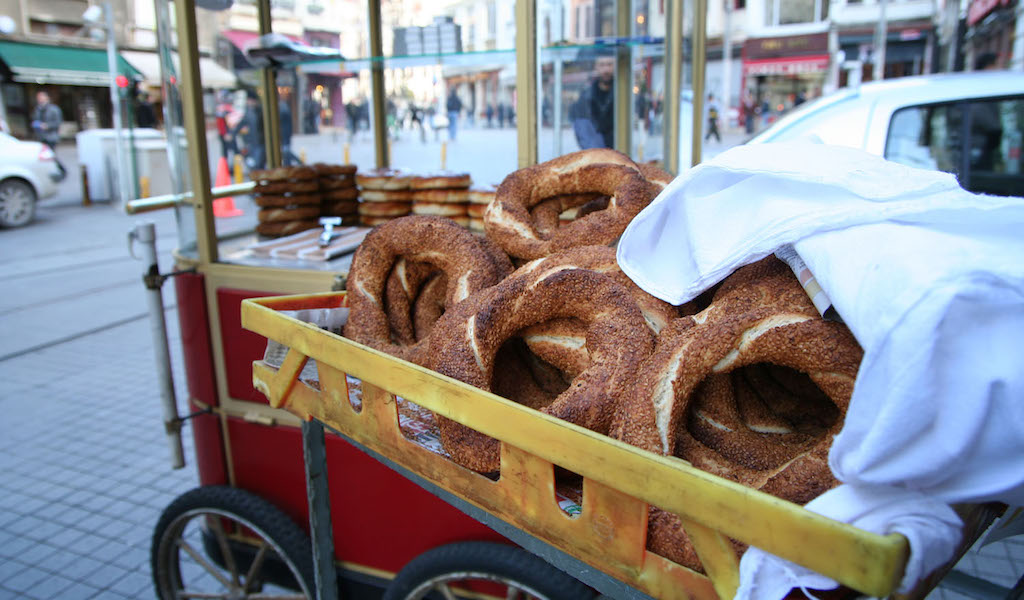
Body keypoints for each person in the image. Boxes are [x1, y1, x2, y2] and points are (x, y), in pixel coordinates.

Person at [570, 52, 615, 149]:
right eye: (602, 65)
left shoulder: (622, 95)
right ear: (596, 67)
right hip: (596, 154)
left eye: (609, 64)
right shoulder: (586, 96)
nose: (606, 69)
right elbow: (582, 131)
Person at [31, 91, 65, 177]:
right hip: (41, 136)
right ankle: (54, 171)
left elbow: (58, 123)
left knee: (50, 155)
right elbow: (35, 120)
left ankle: (61, 170)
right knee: (47, 156)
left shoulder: (54, 109)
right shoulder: (37, 109)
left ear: (47, 98)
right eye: (38, 98)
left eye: (41, 97)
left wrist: (47, 126)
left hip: (51, 136)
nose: (40, 99)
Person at [233, 90, 265, 172]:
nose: (248, 102)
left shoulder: (259, 111)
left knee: (258, 163)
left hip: (260, 141)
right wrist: (232, 133)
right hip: (252, 142)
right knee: (253, 162)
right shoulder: (250, 112)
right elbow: (242, 123)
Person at [279, 97, 300, 166]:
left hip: (285, 135)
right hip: (285, 135)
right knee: (286, 152)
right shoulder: (285, 110)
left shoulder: (283, 111)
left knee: (286, 152)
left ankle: (292, 164)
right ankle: (289, 164)